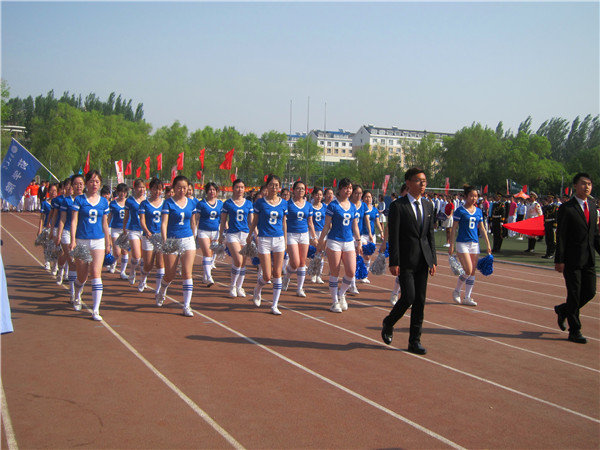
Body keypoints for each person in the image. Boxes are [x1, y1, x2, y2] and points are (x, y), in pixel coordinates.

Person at [381, 168, 437, 355]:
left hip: (423, 260)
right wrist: (393, 261)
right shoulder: (398, 206)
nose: (422, 184)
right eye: (419, 181)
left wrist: (433, 259)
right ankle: (389, 322)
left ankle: (415, 341)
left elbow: (429, 235)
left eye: (424, 181)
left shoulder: (428, 205)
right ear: (408, 183)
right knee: (408, 298)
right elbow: (394, 236)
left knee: (420, 301)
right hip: (406, 260)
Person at [554, 173, 600, 344]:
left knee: (590, 292)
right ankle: (574, 330)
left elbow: (594, 235)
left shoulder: (593, 207)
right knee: (574, 294)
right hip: (571, 259)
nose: (587, 187)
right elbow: (561, 236)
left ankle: (563, 310)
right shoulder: (567, 208)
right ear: (575, 186)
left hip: (588, 259)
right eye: (583, 183)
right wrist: (559, 259)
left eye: (589, 184)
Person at [69, 170, 111, 321]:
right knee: (82, 275)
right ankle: (77, 294)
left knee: (96, 273)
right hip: (82, 240)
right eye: (92, 181)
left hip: (98, 241)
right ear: (87, 183)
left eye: (97, 182)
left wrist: (108, 242)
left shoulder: (104, 202)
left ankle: (95, 309)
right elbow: (74, 221)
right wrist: (73, 240)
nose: (94, 184)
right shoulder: (79, 200)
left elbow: (105, 223)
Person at [316, 178, 362, 313]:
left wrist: (358, 241)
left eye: (350, 188)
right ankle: (334, 301)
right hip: (334, 241)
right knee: (335, 272)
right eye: (345, 188)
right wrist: (320, 241)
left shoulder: (352, 206)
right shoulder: (333, 205)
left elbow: (355, 226)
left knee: (351, 271)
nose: (348, 190)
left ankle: (341, 294)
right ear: (340, 189)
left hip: (348, 241)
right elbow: (326, 225)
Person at [155, 175, 197, 316]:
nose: (182, 190)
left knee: (187, 273)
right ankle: (162, 290)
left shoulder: (191, 203)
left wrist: (194, 236)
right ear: (174, 188)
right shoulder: (168, 203)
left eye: (184, 188)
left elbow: (193, 221)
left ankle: (186, 306)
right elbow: (164, 223)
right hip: (172, 240)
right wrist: (165, 240)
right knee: (170, 274)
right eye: (179, 187)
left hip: (188, 239)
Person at [248, 175, 288, 314]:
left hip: (279, 239)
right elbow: (255, 220)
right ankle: (257, 289)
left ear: (279, 187)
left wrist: (285, 239)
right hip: (264, 239)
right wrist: (250, 234)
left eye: (276, 185)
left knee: (277, 273)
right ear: (267, 186)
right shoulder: (260, 203)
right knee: (267, 275)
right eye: (271, 184)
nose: (274, 187)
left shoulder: (284, 203)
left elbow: (284, 222)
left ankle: (274, 305)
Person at [449, 185, 492, 306]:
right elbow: (454, 228)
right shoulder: (460, 210)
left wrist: (488, 244)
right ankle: (457, 290)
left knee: (472, 271)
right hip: (462, 243)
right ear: (466, 196)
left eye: (476, 196)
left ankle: (467, 297)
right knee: (467, 270)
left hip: (474, 243)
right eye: (471, 196)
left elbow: (482, 228)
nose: (474, 198)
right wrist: (451, 244)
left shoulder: (478, 211)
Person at [219, 179, 254, 298]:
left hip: (245, 234)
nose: (240, 189)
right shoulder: (228, 203)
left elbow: (251, 221)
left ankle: (239, 287)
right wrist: (221, 235)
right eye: (237, 187)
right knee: (238, 261)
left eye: (242, 187)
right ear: (233, 188)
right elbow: (223, 220)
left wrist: (254, 235)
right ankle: (232, 286)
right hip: (232, 234)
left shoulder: (248, 203)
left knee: (243, 263)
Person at [282, 180, 316, 297]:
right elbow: (283, 222)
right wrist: (284, 237)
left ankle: (300, 288)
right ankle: (286, 277)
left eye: (302, 189)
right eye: (298, 188)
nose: (300, 190)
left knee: (302, 262)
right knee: (295, 262)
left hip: (304, 235)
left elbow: (310, 222)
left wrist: (314, 237)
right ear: (293, 190)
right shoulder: (288, 204)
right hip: (291, 234)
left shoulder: (308, 205)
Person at [138, 178, 165, 293]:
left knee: (160, 263)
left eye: (159, 189)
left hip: (161, 236)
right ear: (150, 189)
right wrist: (147, 231)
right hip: (148, 236)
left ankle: (158, 289)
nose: (157, 192)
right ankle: (142, 279)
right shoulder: (144, 204)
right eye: (155, 189)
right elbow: (142, 220)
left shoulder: (165, 203)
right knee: (148, 264)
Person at [195, 182, 223, 287]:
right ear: (206, 191)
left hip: (215, 231)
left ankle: (205, 276)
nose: (212, 192)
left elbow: (222, 218)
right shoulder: (201, 204)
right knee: (207, 253)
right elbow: (196, 218)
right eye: (210, 189)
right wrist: (194, 231)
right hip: (203, 231)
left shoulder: (220, 203)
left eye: (214, 190)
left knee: (211, 254)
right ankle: (209, 277)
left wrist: (224, 229)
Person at [123, 179, 146, 285]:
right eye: (139, 187)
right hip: (133, 230)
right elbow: (126, 216)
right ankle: (132, 271)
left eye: (143, 187)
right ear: (135, 188)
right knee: (136, 256)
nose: (141, 189)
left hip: (145, 231)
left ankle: (143, 279)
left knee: (144, 258)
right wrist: (124, 228)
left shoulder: (147, 201)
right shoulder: (130, 201)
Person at [107, 183, 129, 279]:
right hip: (115, 229)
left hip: (125, 230)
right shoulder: (113, 203)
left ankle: (123, 272)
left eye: (124, 192)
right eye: (120, 192)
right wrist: (106, 227)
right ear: (117, 192)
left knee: (124, 251)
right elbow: (109, 216)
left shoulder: (129, 202)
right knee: (116, 252)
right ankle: (113, 263)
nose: (122, 194)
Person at [361, 190, 383, 282]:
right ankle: (360, 273)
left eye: (369, 197)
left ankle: (364, 275)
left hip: (372, 235)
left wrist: (381, 231)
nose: (368, 199)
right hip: (362, 234)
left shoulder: (374, 210)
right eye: (366, 197)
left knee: (369, 256)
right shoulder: (361, 208)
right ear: (363, 198)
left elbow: (377, 222)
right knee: (365, 255)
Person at [310, 187, 326, 284]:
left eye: (320, 194)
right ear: (313, 195)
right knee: (314, 253)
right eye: (317, 194)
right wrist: (313, 235)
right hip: (313, 232)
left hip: (322, 232)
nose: (319, 196)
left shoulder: (324, 206)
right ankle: (313, 274)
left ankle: (319, 275)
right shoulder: (310, 206)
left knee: (322, 254)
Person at [542, 194, 558, 259]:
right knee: (547, 239)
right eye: (548, 197)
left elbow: (556, 216)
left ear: (552, 198)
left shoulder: (555, 207)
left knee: (552, 240)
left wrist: (555, 225)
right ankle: (547, 253)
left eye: (549, 198)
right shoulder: (546, 207)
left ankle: (551, 253)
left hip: (552, 223)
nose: (548, 199)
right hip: (547, 223)